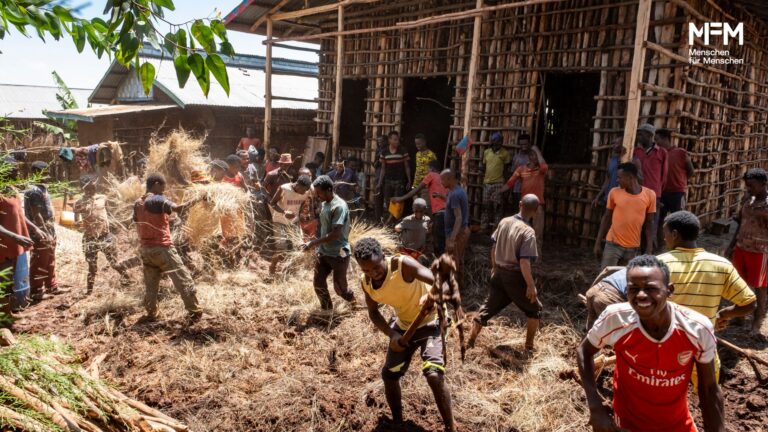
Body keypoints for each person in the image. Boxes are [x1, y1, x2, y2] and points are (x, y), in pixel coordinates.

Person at [577, 255, 723, 432]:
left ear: (669, 290)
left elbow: (709, 390)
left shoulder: (697, 329)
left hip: (677, 426)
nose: (641, 295)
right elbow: (584, 351)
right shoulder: (616, 318)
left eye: (650, 288)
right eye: (633, 289)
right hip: (627, 425)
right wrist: (595, 407)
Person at [353, 237, 456, 432]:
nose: (373, 273)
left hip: (431, 321)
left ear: (384, 256)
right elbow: (373, 312)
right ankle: (397, 422)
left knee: (433, 374)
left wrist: (431, 295)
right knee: (389, 375)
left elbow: (442, 283)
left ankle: (451, 427)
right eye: (366, 270)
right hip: (403, 325)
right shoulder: (366, 283)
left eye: (376, 267)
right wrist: (391, 334)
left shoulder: (402, 265)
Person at [468, 194, 543, 351]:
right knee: (535, 310)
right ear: (536, 211)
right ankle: (529, 347)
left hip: (499, 273)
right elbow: (524, 262)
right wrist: (530, 285)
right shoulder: (528, 232)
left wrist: (494, 267)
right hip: (514, 276)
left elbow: (493, 248)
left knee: (486, 309)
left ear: (520, 204)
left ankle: (470, 341)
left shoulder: (504, 221)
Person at [133, 173, 202, 322]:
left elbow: (139, 222)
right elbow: (179, 209)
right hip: (163, 248)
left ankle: (152, 313)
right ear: (156, 184)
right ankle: (194, 311)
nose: (164, 190)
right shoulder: (158, 199)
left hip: (146, 250)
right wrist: (199, 198)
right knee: (184, 280)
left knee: (151, 286)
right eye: (163, 186)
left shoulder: (138, 203)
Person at [301, 175, 355, 310]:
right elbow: (324, 227)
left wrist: (313, 243)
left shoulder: (339, 207)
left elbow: (336, 234)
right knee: (318, 283)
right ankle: (327, 310)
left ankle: (354, 303)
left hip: (338, 254)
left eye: (319, 193)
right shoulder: (325, 204)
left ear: (329, 190)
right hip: (324, 252)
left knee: (340, 289)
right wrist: (314, 240)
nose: (317, 196)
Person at [726, 168, 768, 336]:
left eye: (752, 186)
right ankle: (740, 316)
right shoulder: (747, 200)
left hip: (760, 251)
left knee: (760, 288)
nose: (748, 189)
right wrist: (731, 245)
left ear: (764, 184)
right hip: (742, 248)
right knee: (739, 284)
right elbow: (740, 223)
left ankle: (756, 323)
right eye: (747, 185)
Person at [73, 176, 130, 293]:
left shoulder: (103, 198)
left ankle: (128, 279)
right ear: (84, 188)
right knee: (92, 268)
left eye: (93, 187)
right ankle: (89, 292)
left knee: (114, 262)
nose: (91, 189)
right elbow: (76, 221)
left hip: (105, 236)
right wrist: (78, 224)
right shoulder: (78, 202)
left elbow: (110, 213)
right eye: (88, 188)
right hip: (90, 238)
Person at [594, 162, 656, 268]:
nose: (617, 180)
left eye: (620, 177)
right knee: (606, 278)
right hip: (612, 245)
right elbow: (606, 217)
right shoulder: (614, 192)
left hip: (633, 248)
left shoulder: (650, 195)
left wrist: (649, 247)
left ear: (630, 177)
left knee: (625, 280)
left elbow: (649, 223)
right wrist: (598, 242)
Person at [496, 144, 548, 255]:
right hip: (525, 205)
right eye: (532, 155)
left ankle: (536, 257)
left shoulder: (540, 169)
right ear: (529, 156)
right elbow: (510, 183)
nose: (535, 157)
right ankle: (522, 255)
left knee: (538, 233)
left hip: (538, 205)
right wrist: (499, 192)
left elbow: (544, 165)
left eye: (536, 155)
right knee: (523, 231)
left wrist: (537, 150)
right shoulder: (521, 169)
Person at [0, 160, 34, 316]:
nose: (18, 173)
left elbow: (20, 214)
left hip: (14, 246)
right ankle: (4, 319)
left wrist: (35, 229)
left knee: (9, 283)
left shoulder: (12, 190)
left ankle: (8, 314)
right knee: (3, 281)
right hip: (4, 246)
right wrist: (15, 237)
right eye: (14, 170)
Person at [392, 161, 447, 256]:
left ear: (432, 169)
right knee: (444, 237)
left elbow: (416, 190)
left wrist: (400, 198)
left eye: (428, 169)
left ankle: (439, 262)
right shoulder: (444, 178)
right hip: (448, 211)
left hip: (439, 212)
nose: (427, 171)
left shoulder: (431, 175)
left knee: (439, 241)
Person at [25, 161, 59, 301]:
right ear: (35, 173)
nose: (47, 175)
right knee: (40, 260)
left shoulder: (42, 189)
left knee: (50, 259)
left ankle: (51, 286)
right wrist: (45, 232)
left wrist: (52, 231)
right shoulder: (34, 191)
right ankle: (36, 291)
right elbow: (37, 214)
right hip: (41, 232)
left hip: (49, 229)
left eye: (47, 172)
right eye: (43, 172)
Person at [656, 128, 694, 247]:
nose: (656, 142)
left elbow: (690, 170)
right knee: (660, 220)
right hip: (662, 192)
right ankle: (661, 244)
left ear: (665, 139)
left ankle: (680, 245)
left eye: (657, 139)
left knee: (679, 220)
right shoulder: (658, 153)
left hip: (677, 193)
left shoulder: (680, 153)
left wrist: (681, 181)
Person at [633, 123, 667, 250]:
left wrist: (657, 192)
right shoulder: (636, 151)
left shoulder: (662, 152)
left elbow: (664, 175)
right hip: (637, 193)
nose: (638, 136)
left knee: (651, 224)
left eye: (641, 134)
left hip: (654, 195)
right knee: (637, 224)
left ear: (650, 135)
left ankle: (649, 252)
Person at [269, 175, 312, 275]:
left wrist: (303, 213)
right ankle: (273, 265)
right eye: (303, 190)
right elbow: (272, 203)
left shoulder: (306, 192)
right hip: (279, 221)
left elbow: (304, 204)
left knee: (299, 247)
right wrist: (284, 212)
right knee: (282, 248)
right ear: (298, 185)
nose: (304, 192)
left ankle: (291, 271)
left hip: (294, 222)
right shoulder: (284, 188)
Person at [592, 137, 644, 207]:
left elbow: (641, 181)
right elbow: (607, 181)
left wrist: (629, 166)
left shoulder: (635, 161)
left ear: (623, 145)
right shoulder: (611, 160)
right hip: (609, 198)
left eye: (616, 143)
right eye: (613, 143)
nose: (613, 146)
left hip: (624, 200)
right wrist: (598, 197)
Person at [441, 169, 469, 277]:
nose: (441, 182)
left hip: (456, 233)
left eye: (442, 180)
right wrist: (441, 197)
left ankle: (453, 288)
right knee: (457, 259)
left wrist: (452, 239)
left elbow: (458, 218)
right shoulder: (456, 191)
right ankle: (459, 286)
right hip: (459, 231)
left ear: (449, 179)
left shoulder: (454, 195)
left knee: (452, 262)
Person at [377, 131, 412, 220]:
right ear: (389, 140)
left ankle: (394, 221)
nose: (397, 141)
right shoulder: (384, 152)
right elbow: (383, 169)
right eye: (395, 140)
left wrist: (409, 180)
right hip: (388, 180)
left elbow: (407, 166)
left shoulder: (403, 150)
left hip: (400, 181)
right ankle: (390, 220)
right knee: (388, 201)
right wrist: (379, 182)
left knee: (398, 202)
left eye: (398, 140)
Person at [481, 132, 511, 231]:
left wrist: (506, 186)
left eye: (500, 141)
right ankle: (484, 226)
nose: (499, 143)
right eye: (496, 141)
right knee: (486, 205)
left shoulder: (505, 153)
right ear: (492, 142)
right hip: (487, 183)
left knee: (498, 206)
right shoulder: (486, 152)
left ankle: (496, 228)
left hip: (499, 183)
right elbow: (484, 167)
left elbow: (506, 170)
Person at [508, 133, 532, 214]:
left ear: (529, 144)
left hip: (530, 190)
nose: (523, 146)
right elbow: (512, 176)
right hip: (517, 190)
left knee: (528, 212)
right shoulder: (516, 157)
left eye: (525, 144)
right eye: (521, 144)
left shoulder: (533, 157)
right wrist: (510, 193)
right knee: (517, 212)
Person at [412, 133, 437, 210]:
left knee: (425, 206)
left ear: (424, 142)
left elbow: (435, 171)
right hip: (416, 184)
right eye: (416, 144)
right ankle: (418, 221)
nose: (417, 146)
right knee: (416, 205)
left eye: (419, 144)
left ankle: (427, 221)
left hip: (426, 185)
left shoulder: (431, 155)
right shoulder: (417, 154)